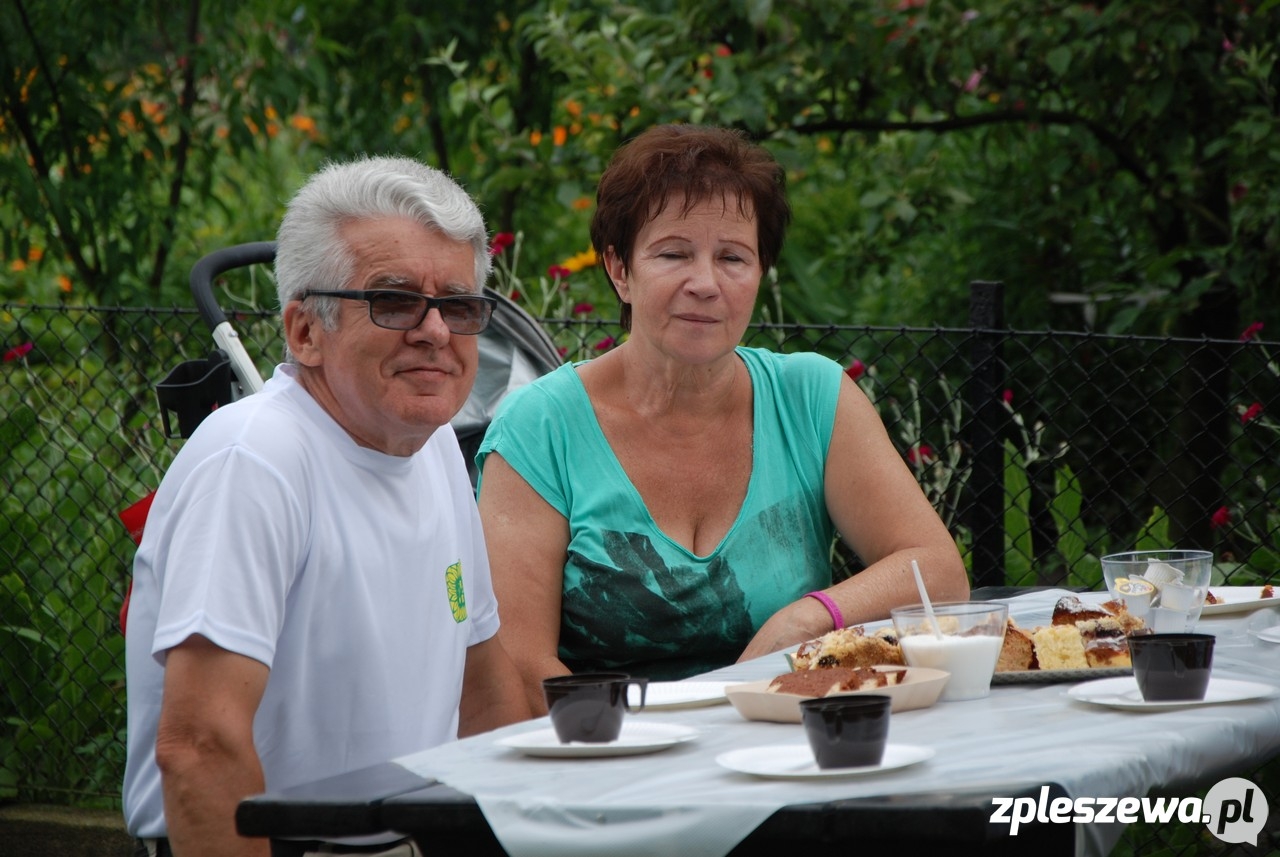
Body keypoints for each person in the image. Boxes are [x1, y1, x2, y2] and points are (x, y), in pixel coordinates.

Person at [476, 124, 969, 713]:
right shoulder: (540, 427)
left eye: (733, 257)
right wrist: (665, 740)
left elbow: (938, 572)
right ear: (619, 269)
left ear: (760, 274)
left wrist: (809, 617)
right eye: (673, 254)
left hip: (786, 733)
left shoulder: (811, 397)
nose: (705, 284)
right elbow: (520, 666)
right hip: (609, 747)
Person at [123, 155, 532, 857]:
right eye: (394, 300)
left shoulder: (431, 444)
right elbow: (200, 745)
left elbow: (485, 689)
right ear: (305, 331)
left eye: (459, 305)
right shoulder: (255, 460)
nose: (436, 331)